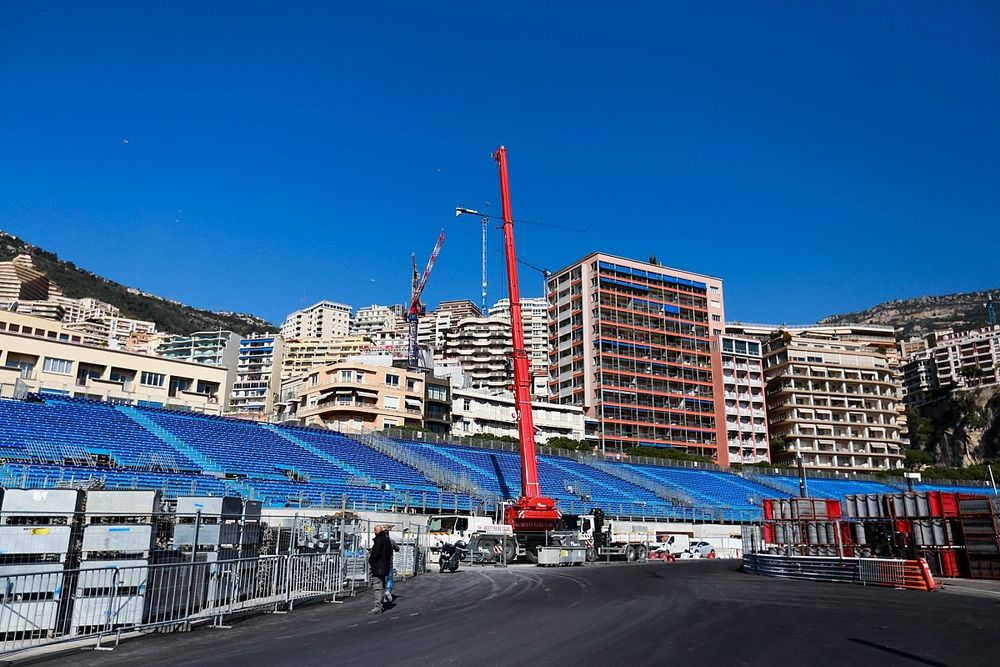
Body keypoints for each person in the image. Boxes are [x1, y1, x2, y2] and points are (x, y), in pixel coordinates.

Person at [368, 524, 393, 614]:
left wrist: (370, 559)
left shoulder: (379, 540)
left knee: (377, 587)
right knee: (381, 586)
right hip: (384, 567)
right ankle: (380, 603)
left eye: (375, 530)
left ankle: (378, 606)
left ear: (377, 531)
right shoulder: (387, 540)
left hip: (378, 567)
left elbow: (375, 554)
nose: (374, 532)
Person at [384, 532, 401, 604]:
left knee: (382, 579)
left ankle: (384, 596)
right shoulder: (392, 541)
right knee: (389, 578)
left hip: (381, 563)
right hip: (389, 562)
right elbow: (397, 549)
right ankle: (388, 590)